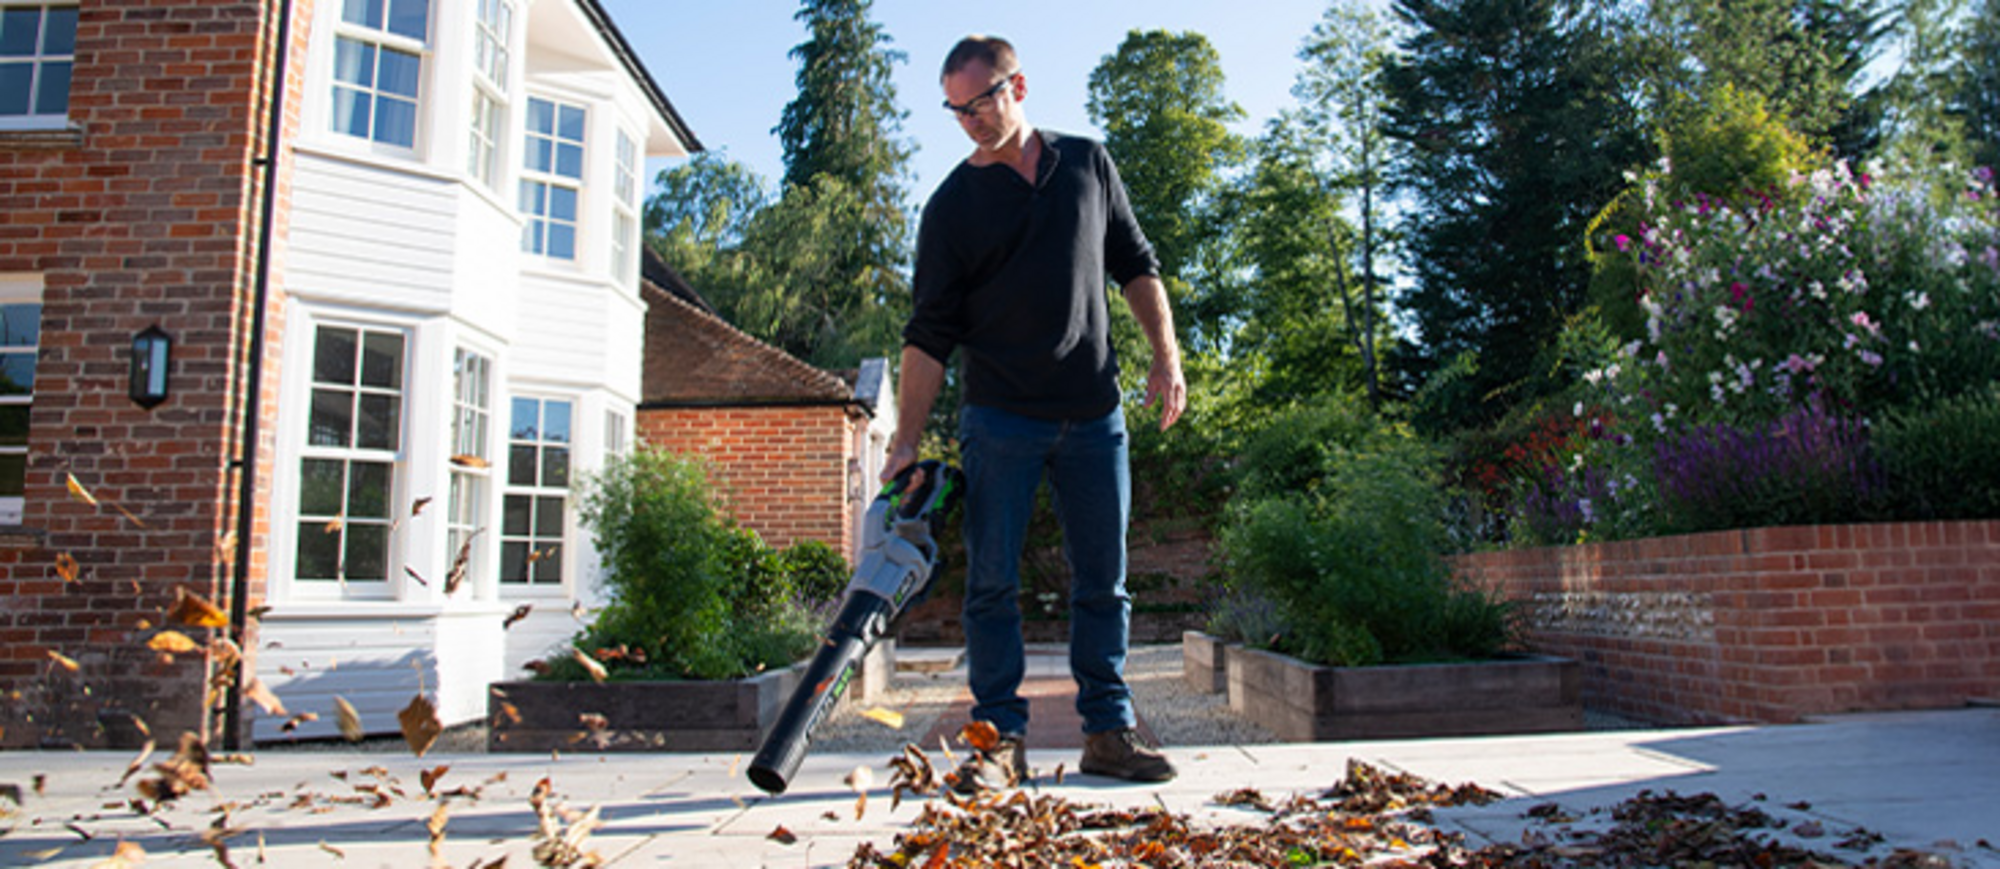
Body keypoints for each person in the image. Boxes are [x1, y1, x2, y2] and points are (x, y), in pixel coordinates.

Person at [880, 34, 1187, 790]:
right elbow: (927, 334)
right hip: (1000, 418)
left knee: (1103, 581)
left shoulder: (1087, 163)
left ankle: (1108, 733)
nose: (971, 120)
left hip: (1093, 412)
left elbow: (1136, 264)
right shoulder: (951, 206)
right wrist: (904, 440)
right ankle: (995, 743)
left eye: (980, 101)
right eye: (956, 110)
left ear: (1018, 84)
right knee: (990, 582)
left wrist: (1166, 356)